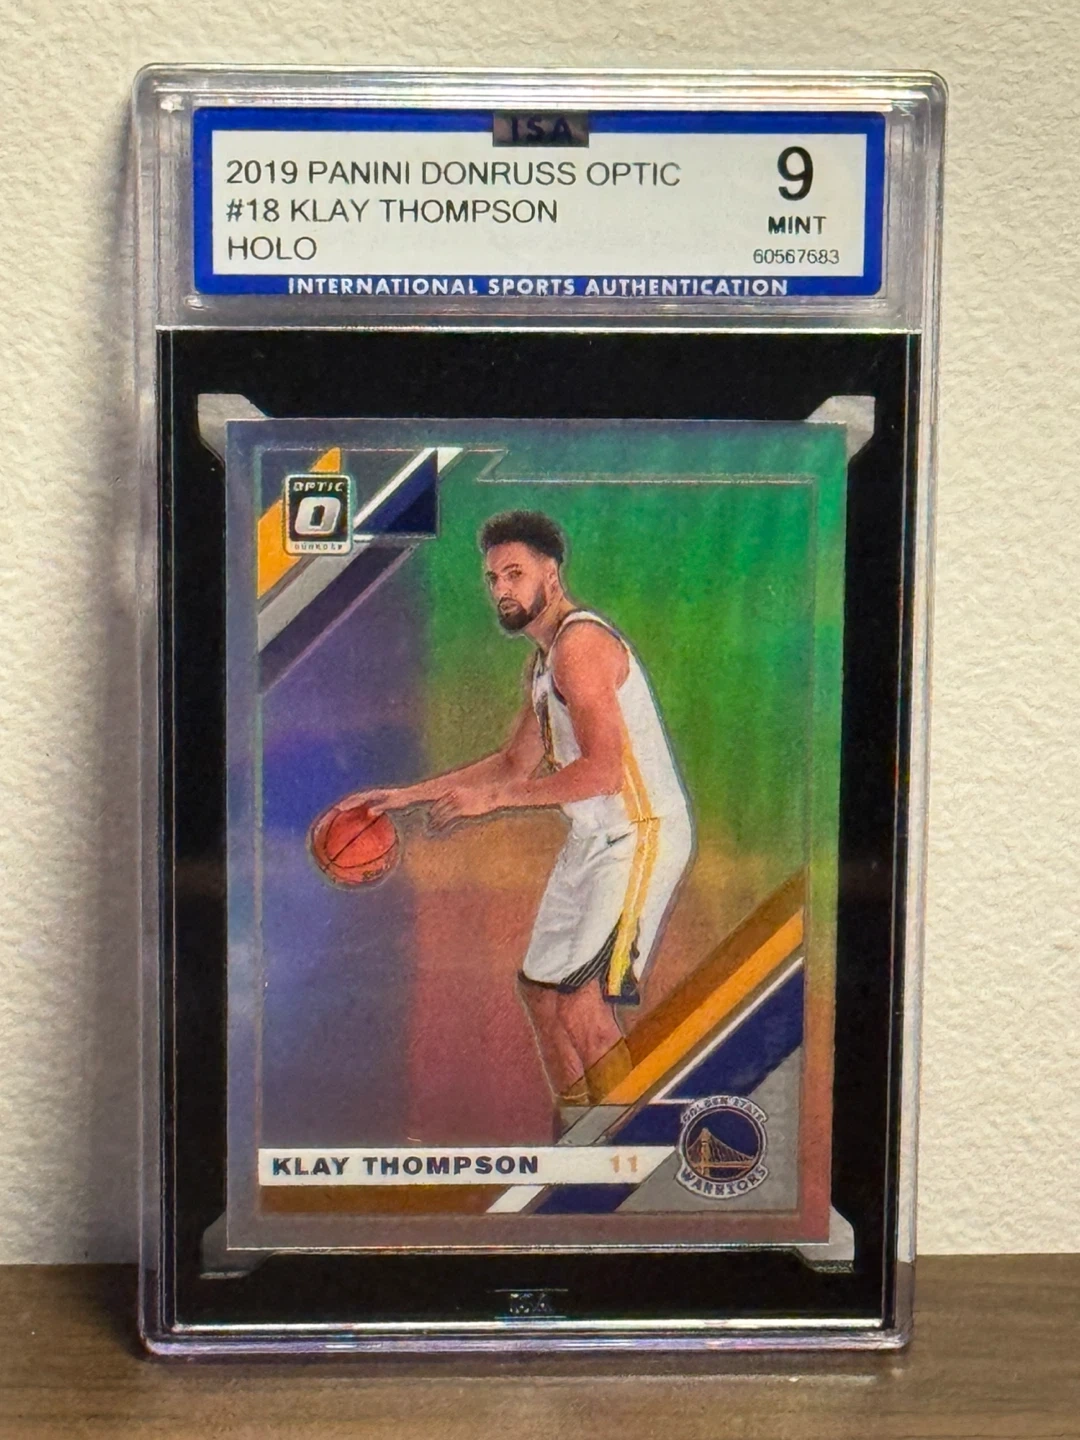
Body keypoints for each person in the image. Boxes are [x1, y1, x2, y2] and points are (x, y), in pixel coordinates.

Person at [343, 510, 694, 1120]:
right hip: (594, 839)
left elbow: (603, 772)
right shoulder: (544, 661)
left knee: (581, 1003)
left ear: (550, 575)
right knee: (540, 994)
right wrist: (405, 796)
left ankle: (631, 1155)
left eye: (515, 574)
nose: (501, 589)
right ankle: (580, 1135)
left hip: (641, 835)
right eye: (493, 578)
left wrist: (495, 801)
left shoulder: (580, 647)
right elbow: (512, 764)